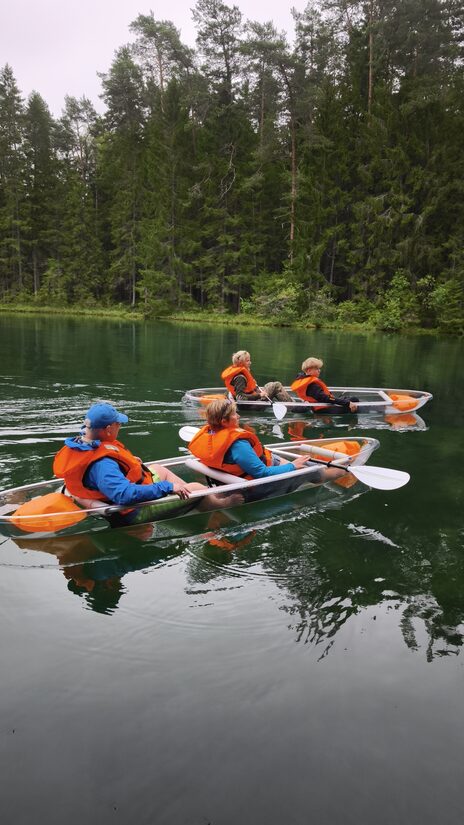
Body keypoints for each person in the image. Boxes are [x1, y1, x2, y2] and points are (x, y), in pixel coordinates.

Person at [53, 402, 207, 513]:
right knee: (197, 488)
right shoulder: (103, 464)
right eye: (118, 424)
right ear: (108, 429)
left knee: (159, 469)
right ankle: (222, 503)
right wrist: (168, 487)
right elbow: (124, 495)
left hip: (108, 494)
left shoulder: (84, 444)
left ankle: (195, 501)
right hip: (131, 511)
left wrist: (129, 463)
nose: (120, 426)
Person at [188, 398, 320, 479]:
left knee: (304, 464)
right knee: (316, 473)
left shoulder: (209, 433)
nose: (238, 416)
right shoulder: (238, 445)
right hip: (263, 471)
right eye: (234, 414)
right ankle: (332, 473)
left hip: (240, 471)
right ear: (224, 421)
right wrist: (292, 465)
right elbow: (261, 473)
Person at [291, 357, 358, 413]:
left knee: (352, 399)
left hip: (320, 405)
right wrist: (347, 403)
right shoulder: (312, 386)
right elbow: (326, 399)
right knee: (354, 401)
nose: (319, 370)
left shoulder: (302, 378)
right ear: (309, 371)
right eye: (317, 369)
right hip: (323, 409)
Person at [221, 350, 292, 402]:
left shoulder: (238, 372)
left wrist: (254, 388)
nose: (250, 363)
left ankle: (288, 402)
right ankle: (294, 406)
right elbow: (240, 397)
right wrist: (259, 395)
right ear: (241, 362)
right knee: (276, 385)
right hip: (250, 405)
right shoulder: (240, 378)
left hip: (252, 399)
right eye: (247, 361)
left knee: (269, 384)